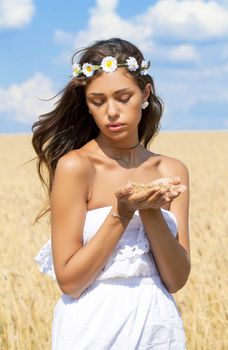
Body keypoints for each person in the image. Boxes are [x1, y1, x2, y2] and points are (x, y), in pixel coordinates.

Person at [32, 37, 191, 350]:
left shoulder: (170, 171)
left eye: (123, 97)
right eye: (98, 101)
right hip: (91, 326)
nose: (112, 112)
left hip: (157, 326)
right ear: (87, 105)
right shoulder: (77, 167)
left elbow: (176, 279)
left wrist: (150, 209)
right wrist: (122, 211)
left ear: (145, 93)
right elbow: (70, 281)